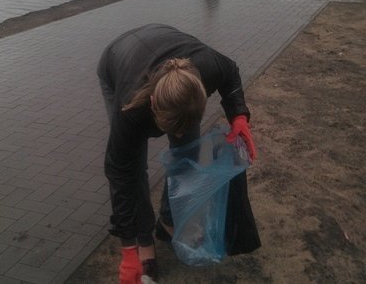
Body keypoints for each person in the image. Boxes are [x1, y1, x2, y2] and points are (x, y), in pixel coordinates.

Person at [97, 23, 257, 282]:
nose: (178, 135)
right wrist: (128, 249)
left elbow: (230, 72)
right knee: (134, 169)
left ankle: (168, 220)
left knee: (187, 152)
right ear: (153, 105)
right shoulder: (131, 111)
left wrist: (238, 116)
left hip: (161, 45)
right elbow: (119, 174)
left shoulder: (207, 69)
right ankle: (145, 241)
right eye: (172, 129)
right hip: (117, 61)